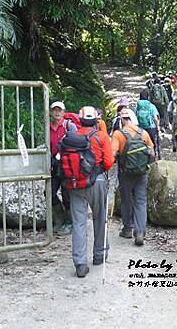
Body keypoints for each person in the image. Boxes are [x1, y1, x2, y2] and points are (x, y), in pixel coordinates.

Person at [63, 106, 114, 278]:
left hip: (75, 184)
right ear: (95, 120)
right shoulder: (101, 136)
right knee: (100, 218)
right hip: (97, 181)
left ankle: (80, 263)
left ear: (80, 120)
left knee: (79, 222)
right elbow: (108, 162)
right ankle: (99, 255)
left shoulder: (71, 137)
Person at [112, 108, 155, 246]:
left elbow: (112, 154)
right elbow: (152, 153)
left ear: (122, 120)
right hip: (142, 173)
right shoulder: (144, 133)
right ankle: (140, 231)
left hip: (125, 173)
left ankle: (128, 228)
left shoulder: (118, 134)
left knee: (126, 200)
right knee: (140, 201)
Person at [49, 101, 77, 236]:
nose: (57, 112)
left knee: (67, 195)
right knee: (49, 193)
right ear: (50, 112)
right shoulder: (47, 128)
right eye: (54, 110)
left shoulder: (69, 126)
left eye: (59, 110)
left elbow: (77, 144)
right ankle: (59, 219)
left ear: (64, 112)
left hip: (67, 165)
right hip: (54, 165)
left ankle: (69, 222)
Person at [136, 90, 161, 159]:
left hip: (141, 128)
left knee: (142, 143)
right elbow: (155, 118)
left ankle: (144, 158)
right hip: (151, 127)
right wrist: (157, 126)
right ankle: (152, 157)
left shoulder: (138, 106)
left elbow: (136, 116)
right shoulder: (151, 106)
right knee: (152, 143)